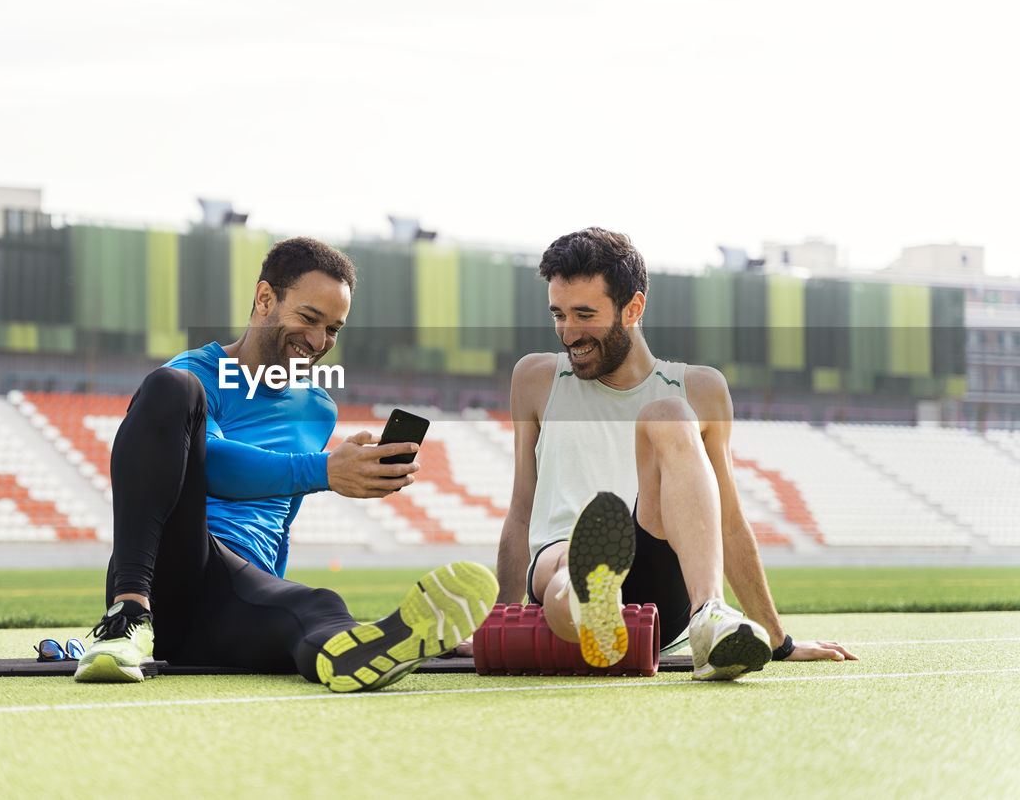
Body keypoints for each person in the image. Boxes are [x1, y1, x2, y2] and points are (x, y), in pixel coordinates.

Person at [75, 237, 497, 691]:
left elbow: (278, 519)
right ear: (264, 299)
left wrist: (270, 592)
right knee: (169, 386)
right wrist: (323, 470)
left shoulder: (319, 410)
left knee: (318, 607)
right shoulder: (197, 375)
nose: (318, 342)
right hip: (171, 574)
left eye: (334, 329)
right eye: (309, 318)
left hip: (235, 600)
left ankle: (371, 647)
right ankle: (128, 618)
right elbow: (213, 466)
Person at [496, 228, 858, 680]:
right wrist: (500, 623)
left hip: (656, 570)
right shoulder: (535, 378)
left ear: (633, 308)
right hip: (556, 563)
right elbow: (522, 510)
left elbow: (726, 519)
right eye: (558, 314)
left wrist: (777, 640)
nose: (568, 333)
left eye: (584, 315)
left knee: (667, 413)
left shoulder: (700, 389)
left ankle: (709, 616)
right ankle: (589, 597)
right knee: (567, 569)